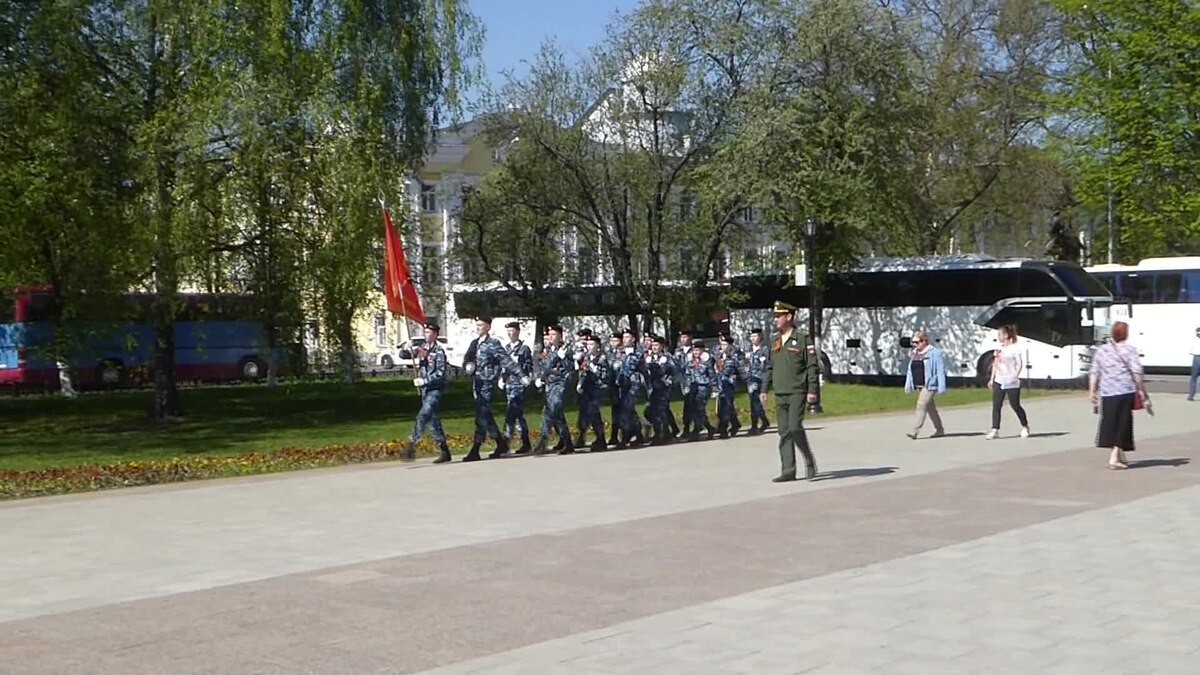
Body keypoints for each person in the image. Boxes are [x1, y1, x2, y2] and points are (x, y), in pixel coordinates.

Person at [761, 300, 820, 482]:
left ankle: (809, 459)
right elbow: (770, 366)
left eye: (779, 316)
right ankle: (788, 470)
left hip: (797, 390)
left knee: (795, 427)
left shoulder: (802, 338)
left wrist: (812, 389)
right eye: (775, 316)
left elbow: (812, 366)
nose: (775, 319)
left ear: (789, 317)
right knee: (784, 431)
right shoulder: (775, 340)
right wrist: (764, 388)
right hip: (780, 391)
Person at [466, 316, 530, 461]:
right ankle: (501, 443)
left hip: (487, 384)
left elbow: (505, 360)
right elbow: (468, 358)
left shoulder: (493, 343)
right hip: (477, 383)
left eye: (481, 325)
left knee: (481, 415)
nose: (478, 328)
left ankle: (475, 449)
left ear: (488, 327)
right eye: (477, 325)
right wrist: (468, 365)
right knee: (486, 415)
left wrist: (521, 374)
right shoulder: (475, 343)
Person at [1089, 321, 1150, 469]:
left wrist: (1092, 390)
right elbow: (1137, 373)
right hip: (1124, 391)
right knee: (1122, 423)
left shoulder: (1102, 350)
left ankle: (1119, 455)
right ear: (1125, 334)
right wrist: (1142, 390)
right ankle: (1114, 458)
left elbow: (1094, 371)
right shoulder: (1130, 350)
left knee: (1110, 422)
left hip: (1107, 392)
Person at [402, 322, 452, 464]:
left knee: (424, 414)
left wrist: (425, 381)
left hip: (435, 390)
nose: (426, 335)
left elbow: (441, 373)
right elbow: (405, 355)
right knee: (433, 420)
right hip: (425, 391)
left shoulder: (439, 351)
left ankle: (411, 444)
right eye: (425, 332)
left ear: (435, 334)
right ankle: (444, 451)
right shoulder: (422, 349)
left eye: (429, 333)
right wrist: (407, 347)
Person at [985, 324, 1030, 440]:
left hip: (1011, 381)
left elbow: (1020, 363)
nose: (998, 337)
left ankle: (1025, 426)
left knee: (1015, 405)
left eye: (1000, 334)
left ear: (1006, 335)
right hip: (999, 380)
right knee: (996, 405)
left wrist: (1016, 375)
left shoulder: (1015, 348)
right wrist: (992, 379)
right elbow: (995, 363)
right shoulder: (999, 349)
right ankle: (995, 429)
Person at [904, 329, 947, 440]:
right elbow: (910, 369)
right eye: (913, 342)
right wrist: (908, 382)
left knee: (921, 404)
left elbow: (940, 370)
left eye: (917, 342)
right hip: (919, 384)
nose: (914, 345)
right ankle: (940, 430)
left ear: (924, 341)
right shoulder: (915, 353)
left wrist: (941, 385)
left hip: (930, 385)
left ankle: (915, 431)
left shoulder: (935, 353)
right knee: (931, 409)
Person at [500, 321, 534, 454]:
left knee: (511, 413)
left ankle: (505, 442)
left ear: (518, 332)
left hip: (519, 384)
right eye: (508, 331)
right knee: (518, 415)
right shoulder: (506, 348)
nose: (510, 333)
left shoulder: (524, 348)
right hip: (509, 383)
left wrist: (526, 376)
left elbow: (528, 365)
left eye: (512, 330)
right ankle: (526, 443)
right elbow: (504, 365)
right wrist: (502, 378)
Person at [744, 328, 770, 434]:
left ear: (760, 337)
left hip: (759, 378)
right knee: (754, 401)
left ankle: (754, 425)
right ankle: (764, 420)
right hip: (750, 378)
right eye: (751, 337)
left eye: (755, 336)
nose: (752, 339)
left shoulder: (764, 350)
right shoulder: (748, 349)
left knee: (755, 401)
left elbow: (767, 365)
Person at [1188, 326, 1200, 401]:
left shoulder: (1194, 341)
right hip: (1196, 357)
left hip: (1196, 358)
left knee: (1193, 378)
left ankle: (1191, 395)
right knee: (1194, 378)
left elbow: (1190, 351)